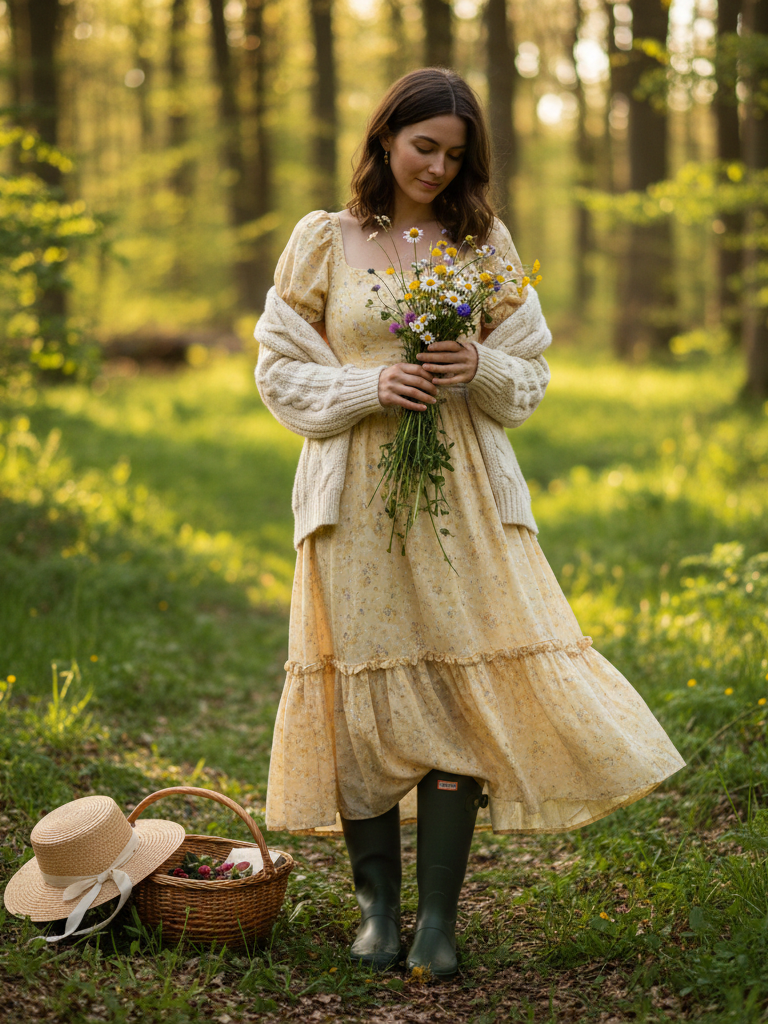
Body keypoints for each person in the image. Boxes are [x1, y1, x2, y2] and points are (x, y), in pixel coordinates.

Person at [254, 67, 685, 980]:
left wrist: (474, 363)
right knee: (360, 692)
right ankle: (377, 912)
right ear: (384, 140)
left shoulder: (482, 244)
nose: (438, 169)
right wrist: (369, 385)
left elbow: (528, 377)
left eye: (455, 155)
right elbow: (279, 372)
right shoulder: (324, 240)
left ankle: (438, 918)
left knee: (457, 689)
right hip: (355, 501)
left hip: (465, 500)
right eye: (424, 148)